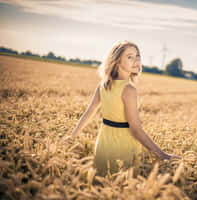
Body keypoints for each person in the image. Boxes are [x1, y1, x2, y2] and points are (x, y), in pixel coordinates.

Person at [63, 40, 181, 176]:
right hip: (124, 149)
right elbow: (136, 130)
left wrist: (72, 137)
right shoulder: (128, 90)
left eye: (138, 56)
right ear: (117, 61)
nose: (136, 60)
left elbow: (89, 112)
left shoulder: (104, 84)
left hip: (102, 146)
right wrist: (163, 155)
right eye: (129, 57)